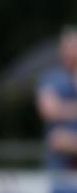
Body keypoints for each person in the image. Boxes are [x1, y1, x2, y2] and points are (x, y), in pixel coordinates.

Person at [36, 27, 77, 169]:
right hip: (59, 167)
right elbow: (49, 112)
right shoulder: (51, 78)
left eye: (73, 46)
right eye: (67, 46)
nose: (71, 51)